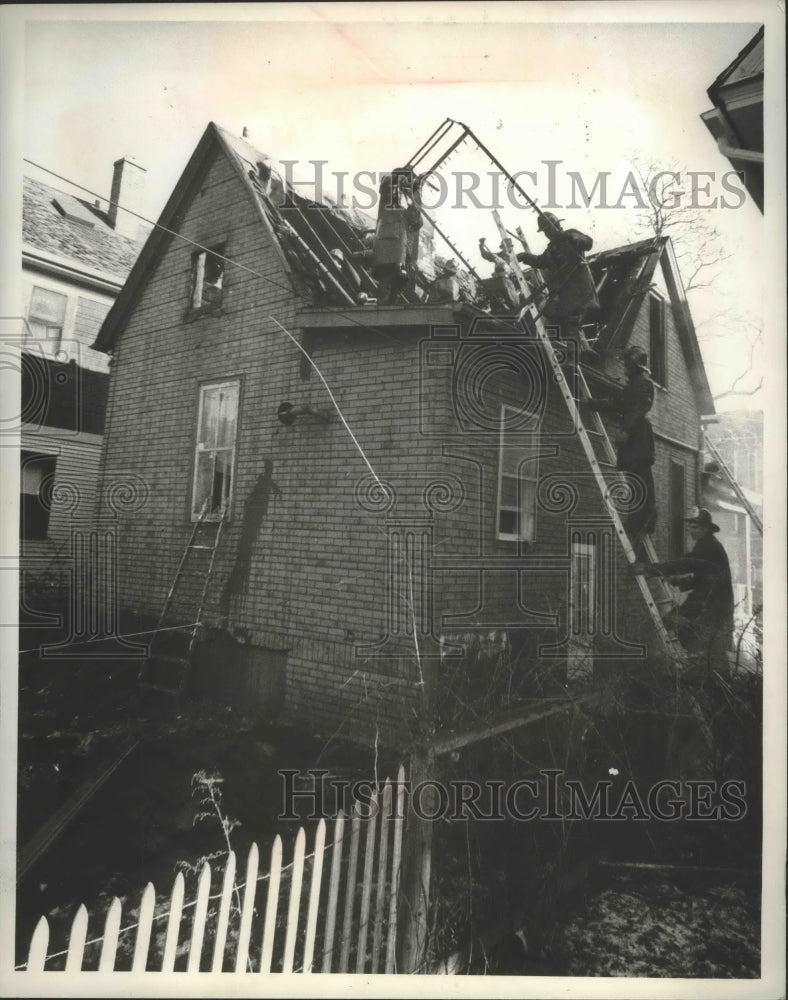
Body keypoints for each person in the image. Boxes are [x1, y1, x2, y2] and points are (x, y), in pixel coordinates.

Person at [634, 507, 734, 670]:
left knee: (684, 631)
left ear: (705, 528)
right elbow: (704, 577)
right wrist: (681, 582)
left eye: (694, 527)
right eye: (689, 527)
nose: (690, 531)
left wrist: (650, 569)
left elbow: (686, 563)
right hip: (709, 602)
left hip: (711, 606)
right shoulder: (707, 545)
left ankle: (691, 670)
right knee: (708, 649)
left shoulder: (708, 547)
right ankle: (703, 672)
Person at [584, 345, 657, 547]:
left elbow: (639, 408)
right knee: (636, 480)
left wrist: (626, 429)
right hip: (633, 441)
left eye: (627, 364)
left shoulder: (643, 384)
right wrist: (593, 403)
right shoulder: (633, 385)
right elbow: (618, 403)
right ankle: (641, 519)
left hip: (638, 439)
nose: (624, 368)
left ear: (634, 365)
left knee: (641, 480)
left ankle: (644, 519)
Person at [515, 212, 599, 342]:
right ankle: (579, 348)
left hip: (579, 287)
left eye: (548, 229)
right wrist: (525, 257)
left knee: (571, 318)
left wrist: (571, 236)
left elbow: (588, 243)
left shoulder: (569, 236)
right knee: (555, 313)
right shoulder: (552, 247)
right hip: (566, 290)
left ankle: (577, 350)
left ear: (557, 225)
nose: (547, 234)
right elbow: (541, 261)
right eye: (544, 231)